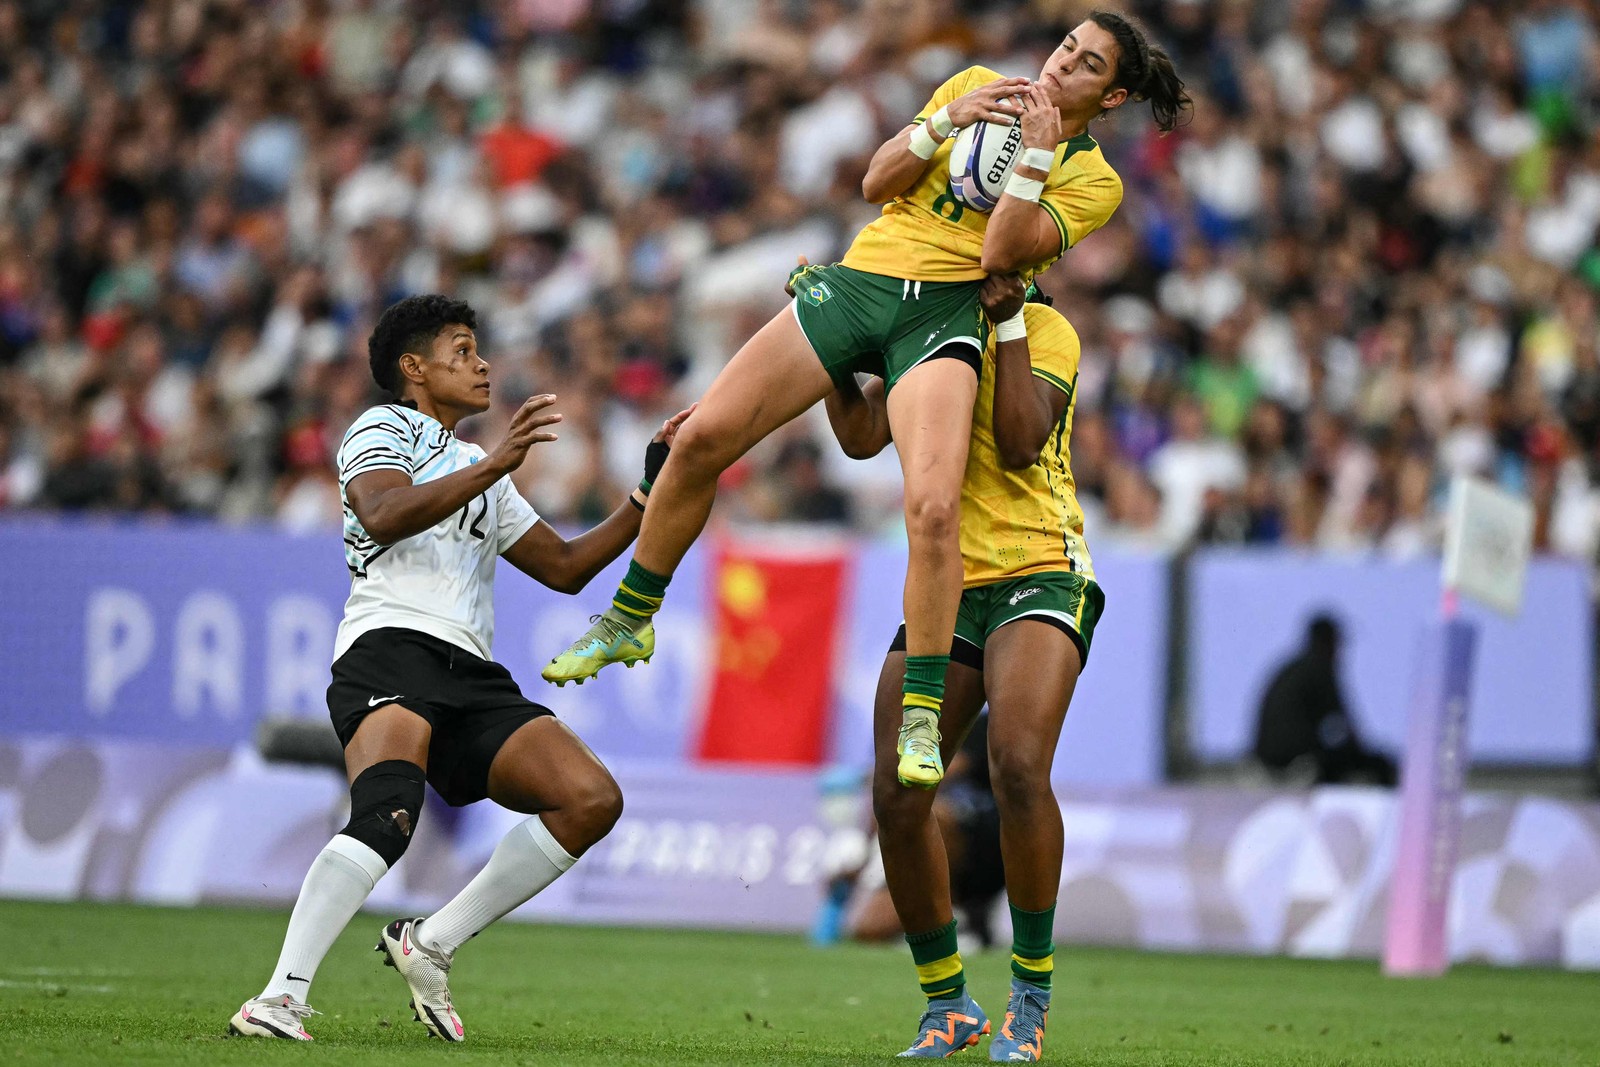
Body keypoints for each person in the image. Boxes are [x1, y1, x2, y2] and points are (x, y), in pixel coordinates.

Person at [543, 12, 1186, 795]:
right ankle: (629, 618)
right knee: (702, 436)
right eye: (1065, 48)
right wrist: (947, 119)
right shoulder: (974, 87)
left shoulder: (1094, 179)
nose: (1061, 66)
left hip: (944, 313)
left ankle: (923, 712)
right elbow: (876, 182)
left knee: (932, 509)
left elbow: (1000, 251)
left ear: (1111, 96)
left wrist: (1039, 151)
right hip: (862, 283)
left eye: (1087, 66)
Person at [228, 295, 691, 1042]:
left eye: (479, 350)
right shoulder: (382, 428)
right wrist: (498, 465)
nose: (481, 365)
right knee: (387, 814)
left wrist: (650, 490)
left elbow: (566, 567)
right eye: (462, 350)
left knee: (590, 799)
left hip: (471, 671)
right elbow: (382, 513)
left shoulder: (482, 466)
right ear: (414, 369)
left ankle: (431, 942)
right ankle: (278, 997)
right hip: (390, 645)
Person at [826, 274, 1105, 1062]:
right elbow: (858, 433)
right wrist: (834, 343)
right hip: (947, 584)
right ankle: (948, 1001)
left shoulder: (1049, 329)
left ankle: (1031, 995)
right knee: (896, 787)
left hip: (1041, 571)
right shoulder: (924, 330)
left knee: (1016, 764)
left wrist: (1010, 319)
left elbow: (1020, 442)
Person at [1253, 614, 1398, 786]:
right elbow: (1343, 722)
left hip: (1269, 758)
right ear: (1329, 642)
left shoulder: (1295, 668)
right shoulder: (1319, 668)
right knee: (1377, 766)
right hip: (1294, 760)